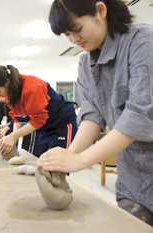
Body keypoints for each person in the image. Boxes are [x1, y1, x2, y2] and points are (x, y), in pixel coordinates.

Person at [37, 0, 153, 226]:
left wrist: (80, 160)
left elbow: (141, 115)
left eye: (77, 29)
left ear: (101, 10)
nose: (74, 40)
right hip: (132, 181)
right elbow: (92, 116)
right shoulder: (85, 63)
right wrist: (68, 156)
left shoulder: (143, 42)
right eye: (67, 35)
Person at [0, 65, 77, 158]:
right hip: (45, 128)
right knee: (43, 163)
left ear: (7, 82)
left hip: (61, 124)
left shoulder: (32, 87)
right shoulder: (10, 94)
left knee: (58, 164)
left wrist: (13, 136)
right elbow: (16, 118)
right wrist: (13, 140)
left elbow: (39, 119)